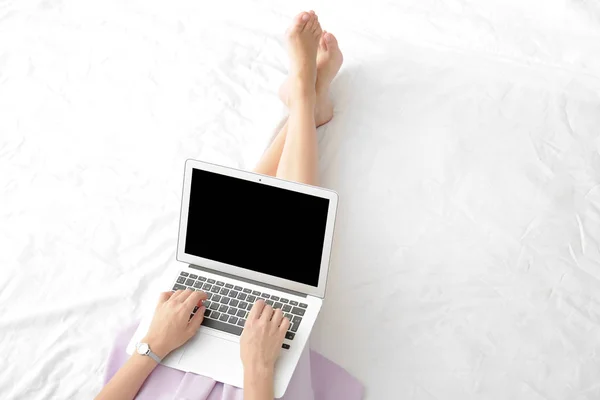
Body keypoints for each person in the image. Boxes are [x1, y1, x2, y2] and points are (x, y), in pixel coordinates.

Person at [96, 10, 343, 400]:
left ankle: (306, 105)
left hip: (158, 372)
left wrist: (152, 345)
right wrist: (258, 367)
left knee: (223, 260)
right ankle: (304, 99)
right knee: (278, 264)